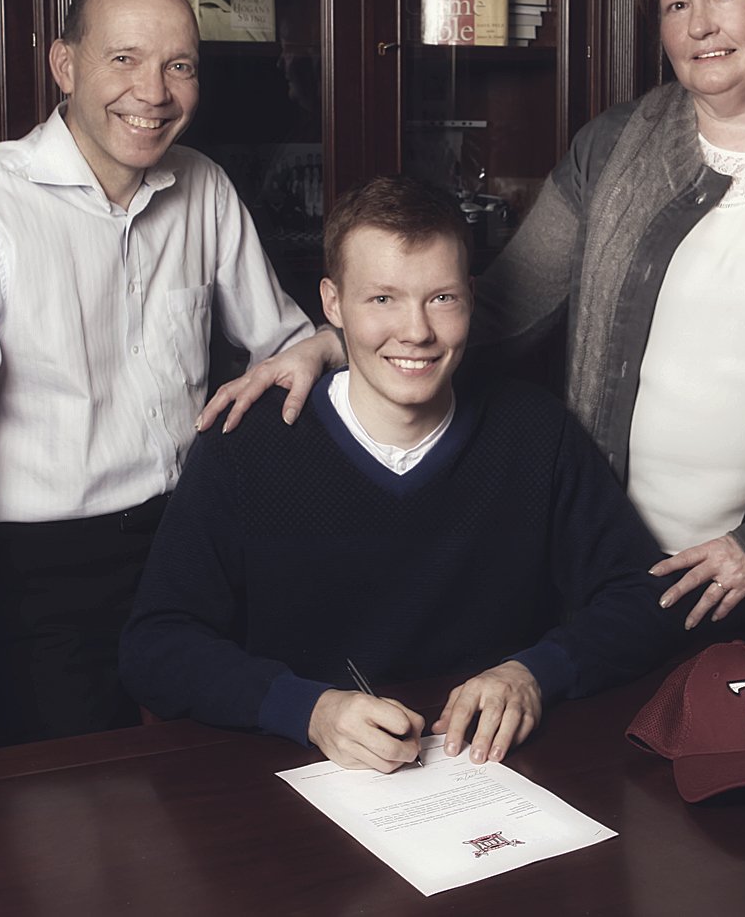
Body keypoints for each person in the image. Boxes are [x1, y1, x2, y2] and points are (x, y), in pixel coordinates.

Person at [210, 0, 745, 637]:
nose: (699, 25)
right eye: (675, 4)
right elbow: (502, 308)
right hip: (609, 582)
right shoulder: (615, 145)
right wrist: (332, 344)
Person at [0, 0, 320, 769]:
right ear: (65, 65)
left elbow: (286, 348)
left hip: (193, 543)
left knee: (236, 782)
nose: (154, 92)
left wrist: (328, 344)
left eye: (179, 65)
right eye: (125, 59)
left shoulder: (205, 187)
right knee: (74, 813)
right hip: (43, 577)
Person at [122, 175, 682, 772]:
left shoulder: (536, 432)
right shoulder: (246, 445)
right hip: (301, 775)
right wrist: (308, 710)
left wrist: (532, 674)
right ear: (332, 303)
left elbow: (647, 596)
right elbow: (157, 644)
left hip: (489, 770)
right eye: (382, 299)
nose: (416, 332)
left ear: (471, 297)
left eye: (441, 298)